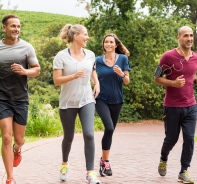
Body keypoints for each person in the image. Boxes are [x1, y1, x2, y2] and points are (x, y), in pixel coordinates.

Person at [53, 24, 101, 184]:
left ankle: (90, 172)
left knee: (89, 134)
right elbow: (56, 81)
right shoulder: (61, 56)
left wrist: (96, 83)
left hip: (86, 99)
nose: (87, 37)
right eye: (85, 35)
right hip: (68, 102)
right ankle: (64, 164)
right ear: (76, 36)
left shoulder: (90, 54)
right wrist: (73, 76)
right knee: (68, 137)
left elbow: (93, 71)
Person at [0, 14, 41, 184]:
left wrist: (24, 71)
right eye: (12, 26)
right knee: (6, 137)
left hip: (20, 98)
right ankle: (10, 178)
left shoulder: (27, 47)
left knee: (18, 139)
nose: (16, 29)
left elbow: (37, 69)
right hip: (1, 97)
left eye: (18, 26)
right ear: (4, 28)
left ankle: (18, 149)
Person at [154, 26, 197, 184]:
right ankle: (163, 158)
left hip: (191, 106)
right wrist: (173, 83)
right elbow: (156, 78)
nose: (189, 39)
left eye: (191, 35)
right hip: (172, 106)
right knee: (171, 139)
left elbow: (191, 75)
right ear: (178, 37)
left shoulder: (195, 57)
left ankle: (183, 171)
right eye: (186, 36)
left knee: (189, 138)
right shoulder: (168, 57)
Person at [95, 33, 130, 177]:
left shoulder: (122, 59)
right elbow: (93, 77)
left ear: (116, 45)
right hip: (101, 98)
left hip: (117, 100)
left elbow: (127, 81)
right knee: (109, 127)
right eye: (106, 42)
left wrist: (121, 74)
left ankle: (103, 161)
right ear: (104, 45)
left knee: (110, 131)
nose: (108, 44)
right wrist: (94, 85)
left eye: (111, 42)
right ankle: (107, 161)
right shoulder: (97, 60)